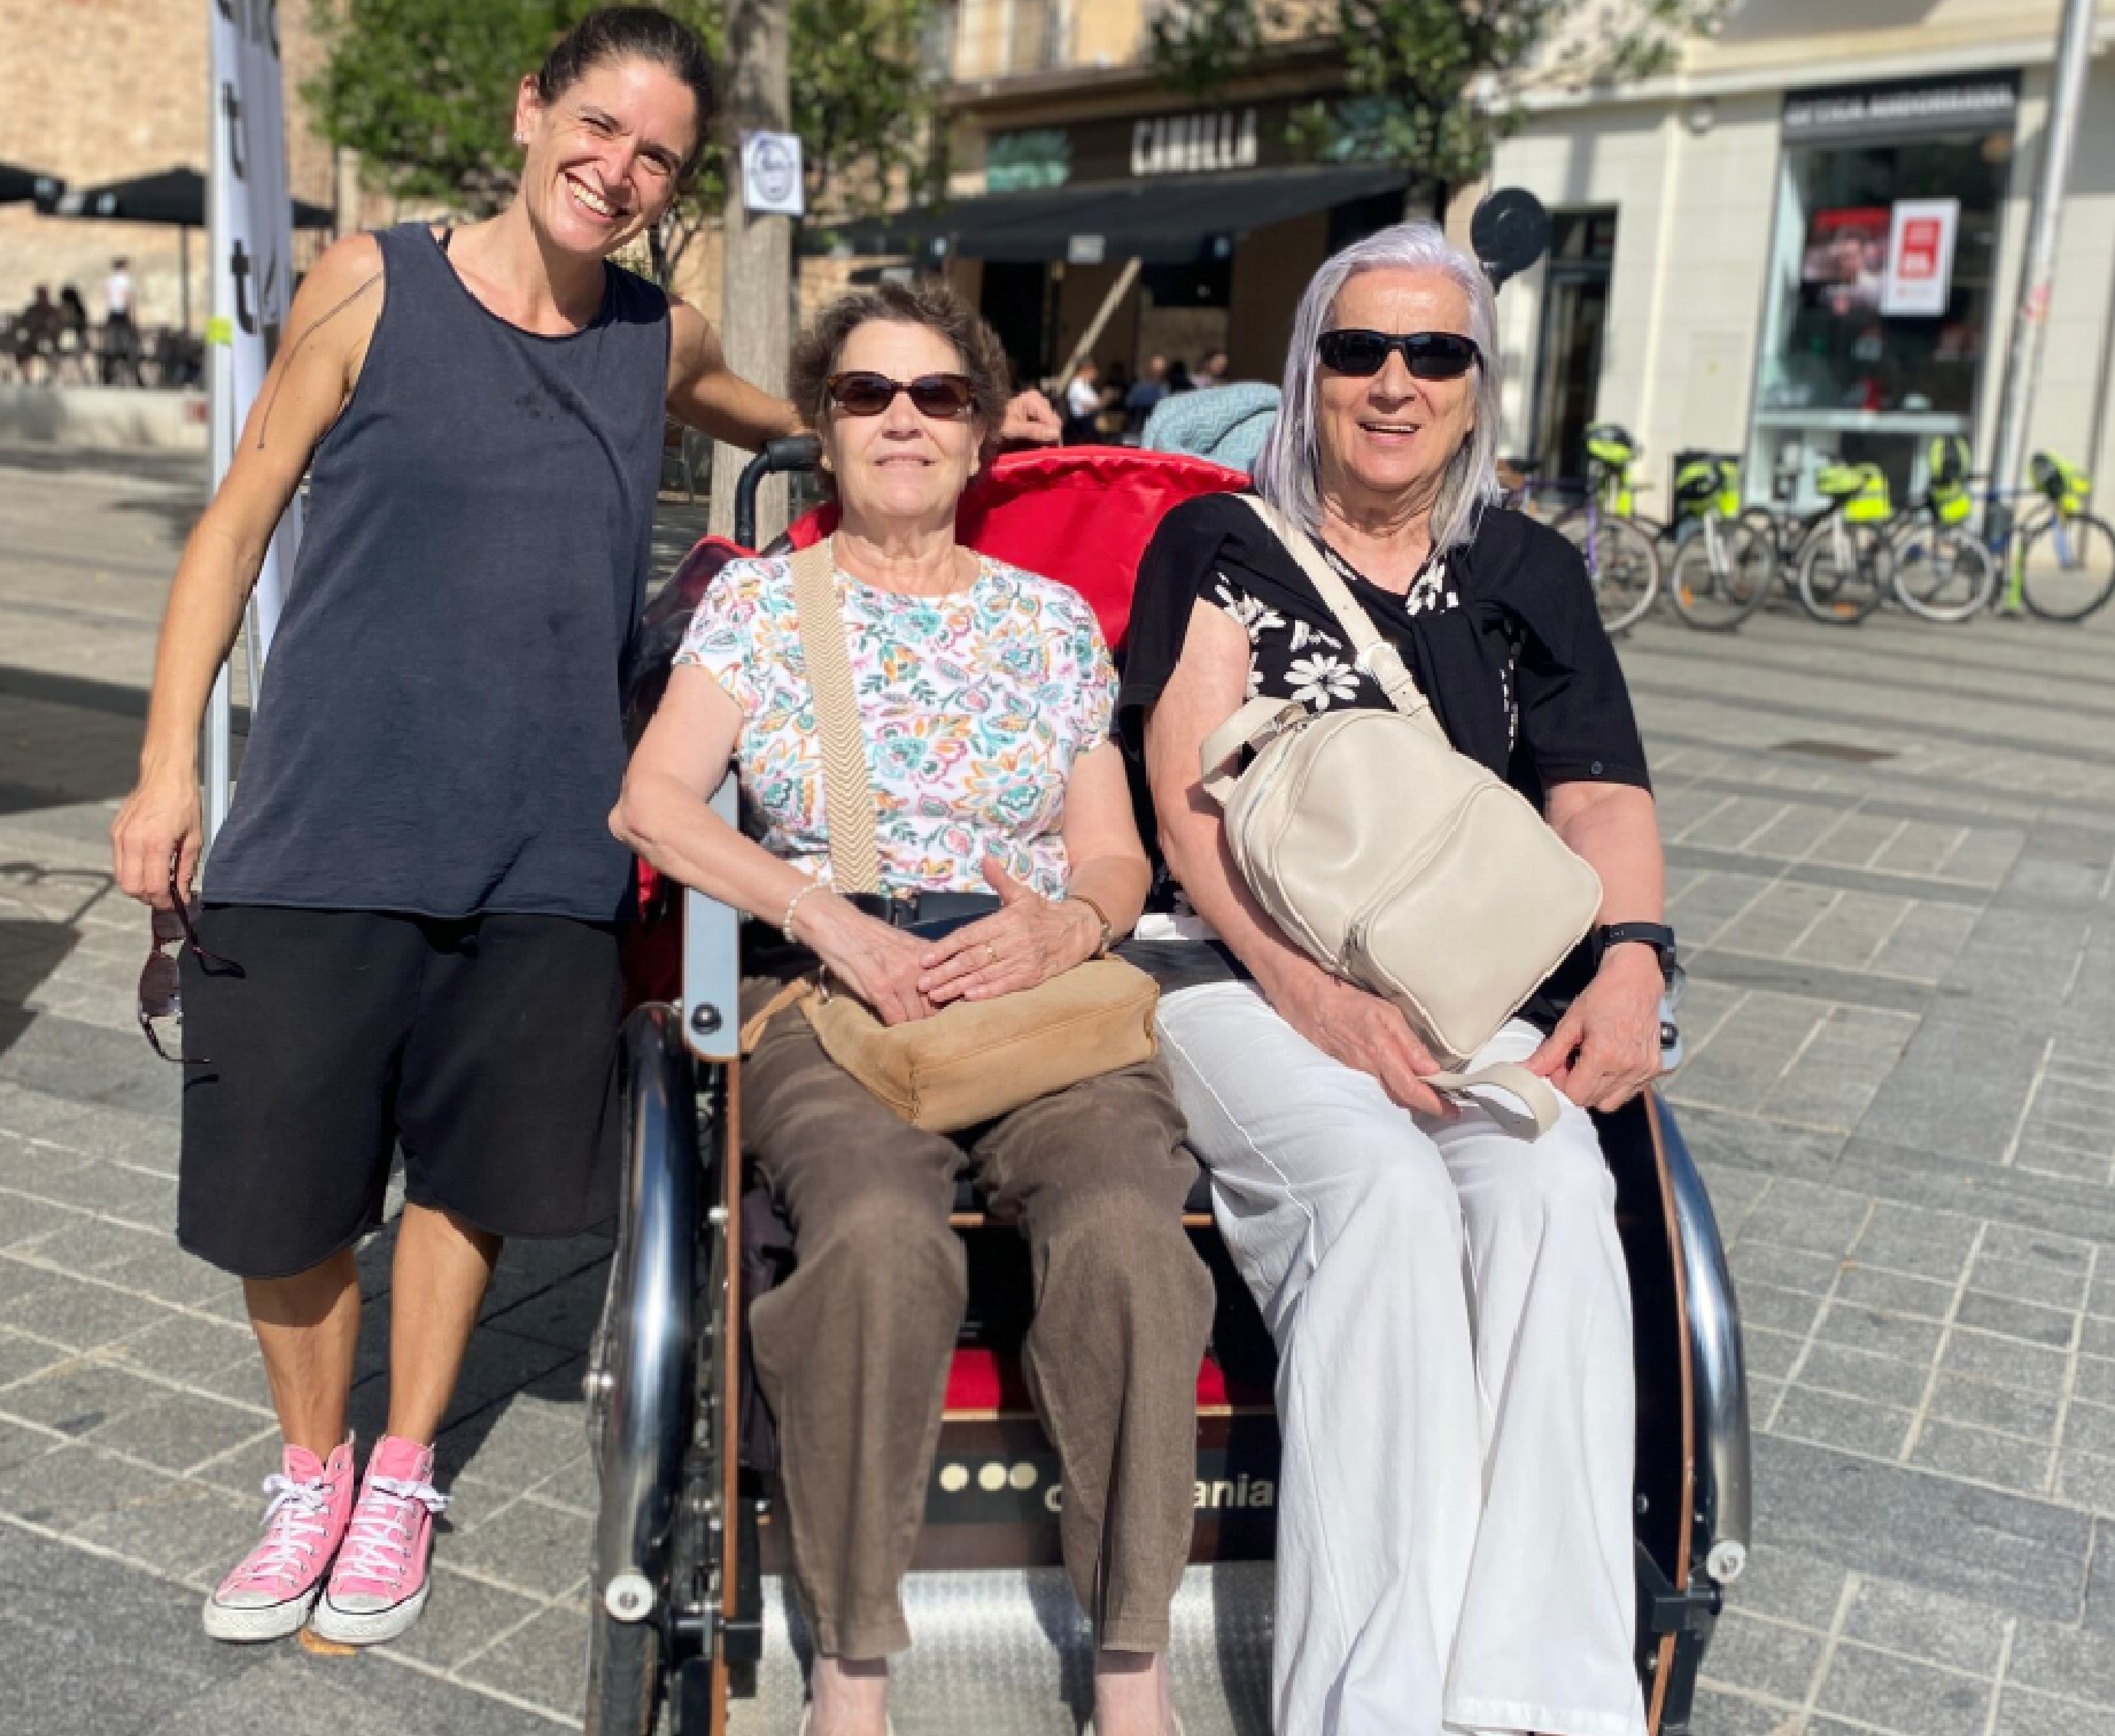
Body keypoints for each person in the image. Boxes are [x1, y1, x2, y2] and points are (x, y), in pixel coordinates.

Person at [107, 5, 1060, 1654]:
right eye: (597, 129)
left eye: (657, 159)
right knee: (286, 1195)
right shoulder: (369, 283)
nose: (616, 173)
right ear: (532, 107)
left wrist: (963, 425)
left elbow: (786, 417)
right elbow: (238, 515)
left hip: (546, 840)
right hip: (325, 817)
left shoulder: (655, 335)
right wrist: (167, 770)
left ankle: (403, 1470)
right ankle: (310, 1468)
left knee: (468, 1182)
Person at [614, 280, 1211, 1736]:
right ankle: (854, 1664)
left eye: (936, 396)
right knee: (877, 1239)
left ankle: (1132, 1659)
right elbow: (648, 805)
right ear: (823, 430)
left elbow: (1118, 847)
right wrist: (821, 916)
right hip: (837, 987)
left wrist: (1069, 923)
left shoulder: (1052, 622)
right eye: (868, 395)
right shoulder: (763, 608)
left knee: (1131, 1228)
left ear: (978, 434)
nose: (902, 419)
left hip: (1033, 990)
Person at [1117, 221, 1669, 1736]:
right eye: (1359, 349)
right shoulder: (1219, 547)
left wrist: (1633, 966)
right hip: (1232, 969)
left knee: (1560, 1193)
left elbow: (1600, 794)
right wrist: (1320, 1003)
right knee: (1383, 1193)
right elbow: (1186, 809)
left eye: (1436, 353)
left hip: (1465, 979)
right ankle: (1370, 1705)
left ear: (1479, 385)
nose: (1395, 382)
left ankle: (1539, 1693)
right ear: (1310, 373)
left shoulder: (1527, 569)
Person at [101, 256, 137, 386]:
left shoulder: (110, 281)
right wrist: (132, 317)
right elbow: (127, 297)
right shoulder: (125, 280)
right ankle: (131, 376)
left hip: (112, 313)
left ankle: (107, 375)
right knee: (127, 345)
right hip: (122, 314)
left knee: (111, 345)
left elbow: (107, 297)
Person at [1063, 355, 1105, 440]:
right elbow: (1085, 407)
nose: (1096, 374)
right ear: (1085, 370)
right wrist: (1105, 399)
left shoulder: (1087, 385)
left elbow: (1096, 403)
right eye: (1094, 371)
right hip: (1081, 425)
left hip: (1089, 422)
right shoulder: (1076, 386)